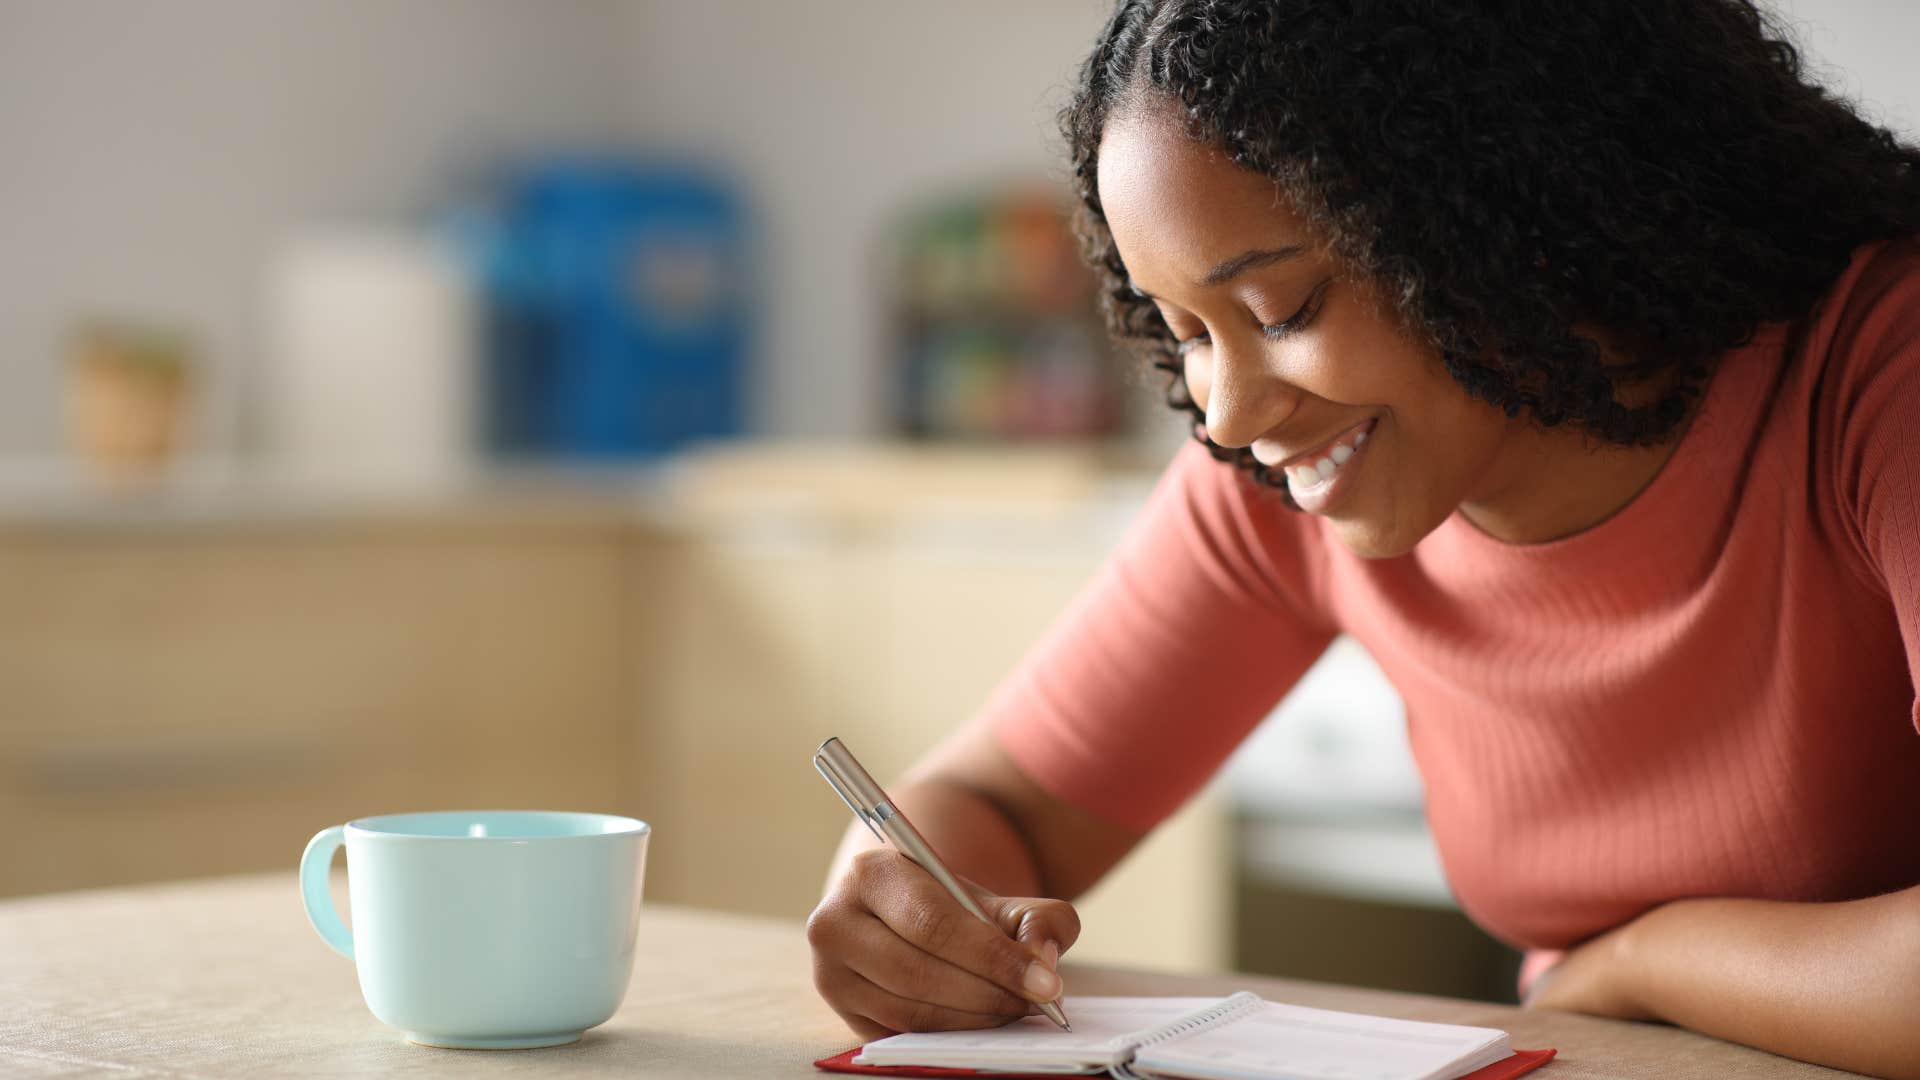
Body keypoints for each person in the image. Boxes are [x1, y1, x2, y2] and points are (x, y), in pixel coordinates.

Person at [806, 2, 1920, 1075]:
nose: (1229, 412)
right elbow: (1000, 807)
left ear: (1501, 205)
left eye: (1282, 312)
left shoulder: (1880, 373)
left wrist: (1648, 961)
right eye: (1185, 331)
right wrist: (903, 911)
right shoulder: (1287, 475)